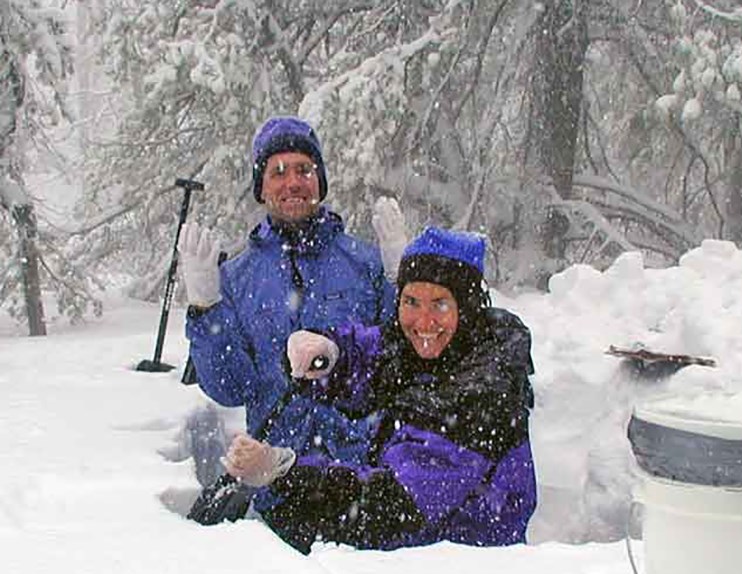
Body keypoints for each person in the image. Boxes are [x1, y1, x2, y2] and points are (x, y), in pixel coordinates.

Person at [224, 227, 538, 553]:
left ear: (468, 306)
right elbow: (376, 352)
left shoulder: (481, 391)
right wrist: (329, 351)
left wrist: (284, 469)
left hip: (462, 559)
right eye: (411, 301)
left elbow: (394, 507)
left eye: (440, 304)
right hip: (415, 550)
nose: (423, 321)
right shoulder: (440, 347)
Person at [179, 116, 407, 516]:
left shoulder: (364, 263)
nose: (293, 182)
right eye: (278, 172)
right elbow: (229, 387)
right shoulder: (237, 277)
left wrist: (399, 280)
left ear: (319, 180)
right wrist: (205, 307)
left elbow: (400, 357)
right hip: (277, 487)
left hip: (364, 481)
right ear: (261, 187)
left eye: (304, 169)